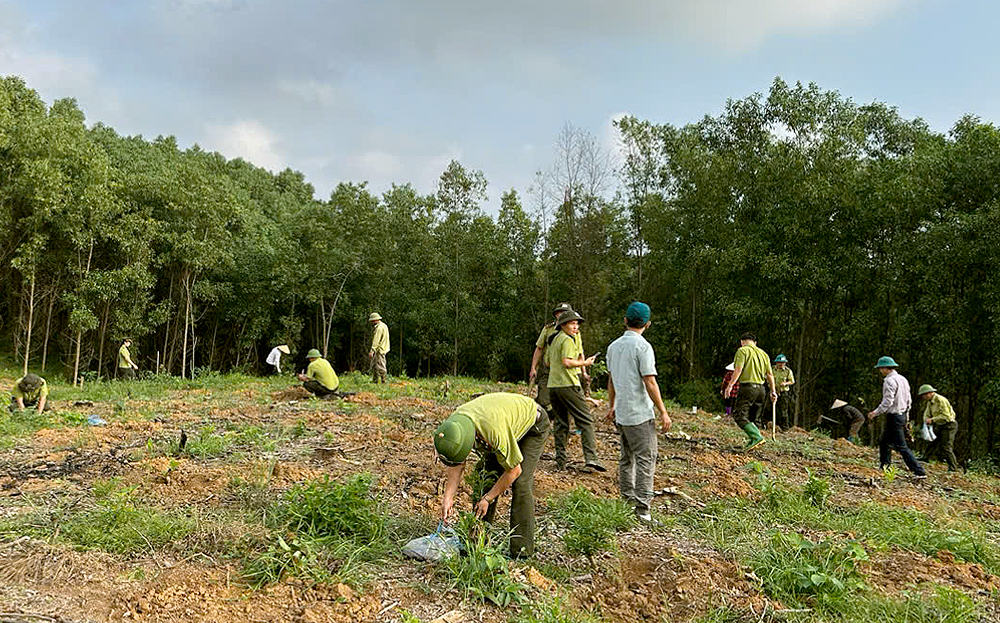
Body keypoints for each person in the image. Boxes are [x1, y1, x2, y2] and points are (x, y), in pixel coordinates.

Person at [434, 392, 549, 559]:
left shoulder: (494, 433)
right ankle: (477, 543)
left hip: (533, 425)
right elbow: (457, 463)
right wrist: (448, 498)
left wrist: (488, 498)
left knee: (521, 483)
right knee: (484, 475)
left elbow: (514, 471)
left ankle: (522, 551)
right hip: (504, 422)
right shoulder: (454, 426)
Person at [606, 302, 672, 523]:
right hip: (640, 415)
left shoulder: (613, 347)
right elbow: (650, 382)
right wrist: (663, 411)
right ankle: (643, 511)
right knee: (646, 459)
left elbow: (612, 380)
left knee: (626, 459)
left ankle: (627, 502)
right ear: (648, 324)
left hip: (622, 414)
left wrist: (611, 405)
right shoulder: (643, 347)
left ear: (625, 321)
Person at [547, 310, 601, 470]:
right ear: (562, 325)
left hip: (553, 386)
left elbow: (548, 363)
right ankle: (591, 459)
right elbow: (567, 362)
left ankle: (560, 462)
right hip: (568, 385)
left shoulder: (554, 339)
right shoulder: (568, 340)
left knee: (561, 423)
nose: (576, 326)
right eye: (572, 323)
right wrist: (585, 363)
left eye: (577, 324)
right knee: (586, 420)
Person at [867, 356, 926, 478]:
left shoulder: (889, 381)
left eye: (880, 368)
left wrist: (875, 412)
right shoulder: (903, 379)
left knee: (901, 446)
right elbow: (909, 400)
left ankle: (919, 471)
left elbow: (888, 401)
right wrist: (906, 416)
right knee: (884, 442)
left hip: (894, 416)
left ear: (885, 368)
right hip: (901, 415)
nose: (880, 371)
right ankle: (885, 467)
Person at [722, 332, 776, 449]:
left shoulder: (742, 351)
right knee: (752, 417)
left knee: (739, 415)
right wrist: (773, 391)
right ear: (755, 343)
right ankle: (754, 440)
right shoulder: (764, 354)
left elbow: (738, 369)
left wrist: (730, 385)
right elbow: (770, 375)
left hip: (748, 388)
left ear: (742, 342)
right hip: (761, 390)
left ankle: (756, 437)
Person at [529, 302, 573, 414]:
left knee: (565, 399)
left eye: (565, 313)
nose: (561, 315)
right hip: (548, 368)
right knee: (543, 398)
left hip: (565, 370)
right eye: (559, 313)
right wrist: (533, 367)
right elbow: (539, 348)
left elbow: (578, 351)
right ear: (556, 314)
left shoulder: (573, 330)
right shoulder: (548, 329)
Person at [917, 384, 958, 472]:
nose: (923, 397)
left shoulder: (940, 400)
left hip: (949, 425)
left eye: (924, 395)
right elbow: (927, 413)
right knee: (932, 441)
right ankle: (925, 457)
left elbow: (946, 416)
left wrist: (932, 419)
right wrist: (926, 420)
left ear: (929, 393)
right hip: (939, 424)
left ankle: (953, 468)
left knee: (946, 447)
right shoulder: (930, 402)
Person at [771, 354, 795, 429]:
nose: (781, 364)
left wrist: (785, 383)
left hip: (783, 392)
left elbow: (792, 381)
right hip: (773, 391)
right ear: (776, 363)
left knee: (783, 411)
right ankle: (771, 424)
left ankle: (785, 427)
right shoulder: (772, 369)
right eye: (780, 362)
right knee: (770, 408)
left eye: (783, 363)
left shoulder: (788, 371)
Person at [369, 312, 390, 384]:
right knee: (375, 365)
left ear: (375, 320)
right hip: (383, 348)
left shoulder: (379, 328)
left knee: (381, 366)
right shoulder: (384, 326)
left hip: (379, 350)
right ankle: (375, 381)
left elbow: (376, 340)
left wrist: (372, 350)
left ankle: (384, 381)